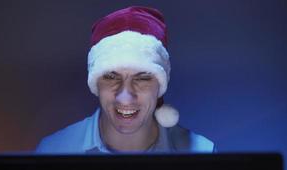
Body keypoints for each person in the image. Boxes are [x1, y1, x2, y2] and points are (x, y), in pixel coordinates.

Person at [36, 6, 216, 154]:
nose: (125, 97)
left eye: (143, 78)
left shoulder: (203, 154)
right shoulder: (52, 152)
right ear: (96, 83)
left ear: (160, 86)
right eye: (110, 77)